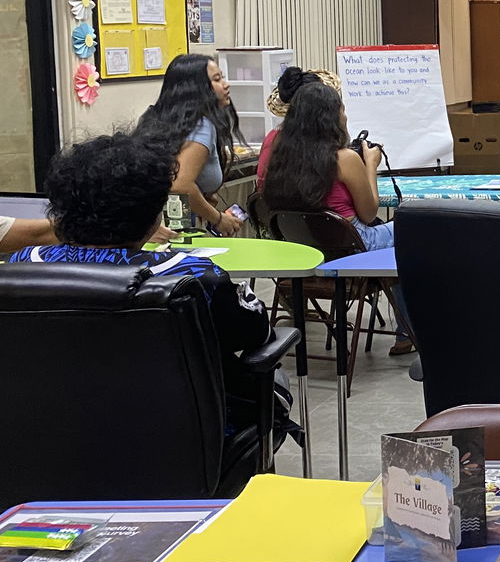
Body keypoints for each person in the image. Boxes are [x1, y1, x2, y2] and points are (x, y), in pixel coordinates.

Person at [7, 131, 291, 443]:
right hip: (178, 443)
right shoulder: (192, 275)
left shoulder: (23, 267)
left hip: (47, 441)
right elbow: (255, 332)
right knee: (273, 378)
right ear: (154, 216)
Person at [259, 68, 412, 355]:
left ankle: (408, 331)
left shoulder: (280, 156)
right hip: (351, 250)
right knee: (412, 230)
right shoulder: (344, 159)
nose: (345, 115)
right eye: (341, 108)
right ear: (330, 117)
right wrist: (370, 165)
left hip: (303, 252)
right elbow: (369, 215)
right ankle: (409, 331)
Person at [136, 53, 246, 235]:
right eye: (217, 79)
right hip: (171, 228)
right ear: (196, 88)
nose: (226, 85)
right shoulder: (201, 125)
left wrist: (202, 197)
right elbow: (179, 184)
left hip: (146, 227)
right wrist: (218, 218)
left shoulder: (156, 118)